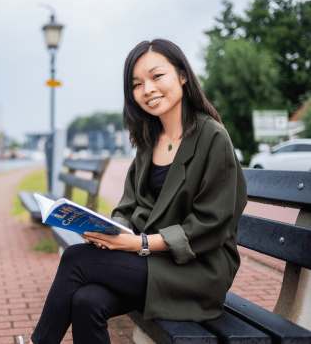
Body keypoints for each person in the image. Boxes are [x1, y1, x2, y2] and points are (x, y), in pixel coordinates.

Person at [27, 39, 247, 344]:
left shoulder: (212, 137)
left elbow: (211, 226)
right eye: (137, 83)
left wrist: (136, 243)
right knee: (86, 301)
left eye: (157, 76)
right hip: (154, 263)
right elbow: (128, 206)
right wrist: (108, 231)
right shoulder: (148, 141)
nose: (148, 89)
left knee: (77, 260)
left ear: (183, 75)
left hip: (198, 270)